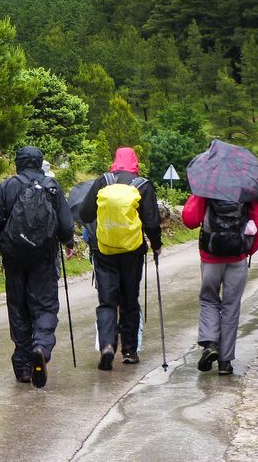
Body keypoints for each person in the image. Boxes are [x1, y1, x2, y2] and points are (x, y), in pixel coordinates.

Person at [0, 146, 74, 388]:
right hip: (44, 257)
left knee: (18, 307)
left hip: (14, 258)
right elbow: (65, 223)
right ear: (40, 162)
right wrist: (68, 241)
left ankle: (23, 366)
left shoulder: (8, 186)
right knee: (45, 305)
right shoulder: (52, 186)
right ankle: (41, 346)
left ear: (18, 163)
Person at [78, 147, 163, 370]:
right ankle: (130, 351)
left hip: (104, 250)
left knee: (107, 301)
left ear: (114, 162)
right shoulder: (142, 185)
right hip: (132, 252)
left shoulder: (103, 181)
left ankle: (107, 345)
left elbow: (85, 214)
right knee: (129, 300)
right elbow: (152, 223)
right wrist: (156, 246)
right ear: (136, 164)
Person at [181, 194, 258, 375]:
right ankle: (225, 363)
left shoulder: (208, 187)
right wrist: (249, 249)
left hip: (211, 255)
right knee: (231, 306)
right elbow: (257, 221)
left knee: (209, 299)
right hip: (238, 255)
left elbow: (190, 218)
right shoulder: (246, 189)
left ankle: (210, 344)